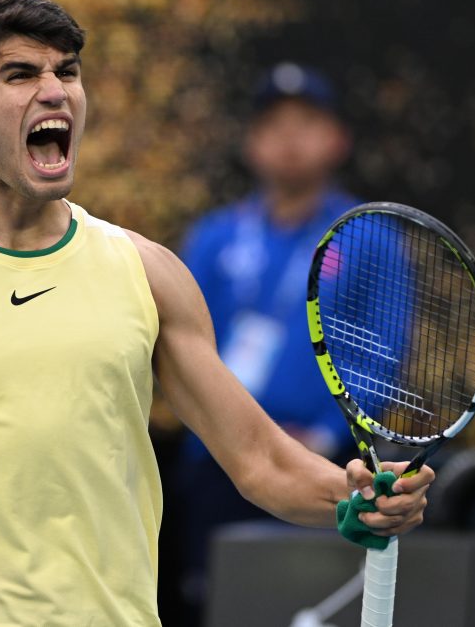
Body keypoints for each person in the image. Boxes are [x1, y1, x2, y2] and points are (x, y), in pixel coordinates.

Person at [0, 0, 433, 626]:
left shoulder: (147, 272)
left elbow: (261, 461)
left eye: (68, 72)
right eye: (20, 75)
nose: (54, 90)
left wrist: (357, 500)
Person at [175, 63, 361, 615]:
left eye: (307, 122)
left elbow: (387, 355)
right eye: (273, 124)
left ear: (337, 139)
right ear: (250, 143)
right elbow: (180, 352)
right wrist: (215, 428)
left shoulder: (364, 234)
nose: (289, 139)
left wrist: (326, 438)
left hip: (323, 465)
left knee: (304, 606)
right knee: (212, 602)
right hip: (216, 463)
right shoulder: (214, 237)